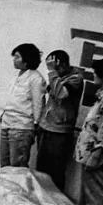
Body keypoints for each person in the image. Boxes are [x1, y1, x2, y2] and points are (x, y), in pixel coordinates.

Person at [36, 49, 85, 191]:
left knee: (55, 172)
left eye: (54, 66)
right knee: (41, 170)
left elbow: (61, 94)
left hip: (60, 132)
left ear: (62, 64)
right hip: (46, 127)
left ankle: (55, 204)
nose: (52, 71)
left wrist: (52, 72)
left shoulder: (76, 78)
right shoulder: (57, 77)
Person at [0, 42, 45, 168]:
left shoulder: (36, 78)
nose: (14, 60)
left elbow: (38, 104)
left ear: (27, 60)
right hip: (7, 122)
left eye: (17, 57)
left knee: (17, 165)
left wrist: (36, 124)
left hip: (22, 126)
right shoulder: (16, 75)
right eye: (14, 56)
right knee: (4, 163)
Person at [75, 59, 103, 205]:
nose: (93, 75)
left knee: (94, 195)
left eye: (96, 72)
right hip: (89, 152)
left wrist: (96, 154)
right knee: (88, 193)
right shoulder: (102, 96)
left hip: (96, 156)